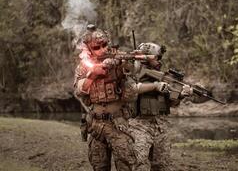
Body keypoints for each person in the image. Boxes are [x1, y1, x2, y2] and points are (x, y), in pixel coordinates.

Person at [74, 25, 137, 171]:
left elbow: (133, 72)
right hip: (96, 125)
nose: (102, 49)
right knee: (99, 166)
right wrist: (93, 74)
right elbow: (79, 90)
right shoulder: (84, 67)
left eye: (105, 45)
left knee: (126, 166)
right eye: (97, 47)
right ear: (89, 49)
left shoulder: (117, 59)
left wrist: (123, 64)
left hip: (118, 124)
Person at [128, 42, 193, 171]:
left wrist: (181, 95)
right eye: (156, 57)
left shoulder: (164, 77)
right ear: (146, 58)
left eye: (159, 57)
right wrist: (155, 86)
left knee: (162, 164)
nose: (159, 61)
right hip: (139, 124)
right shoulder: (132, 75)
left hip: (161, 125)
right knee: (139, 164)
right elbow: (131, 90)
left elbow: (172, 103)